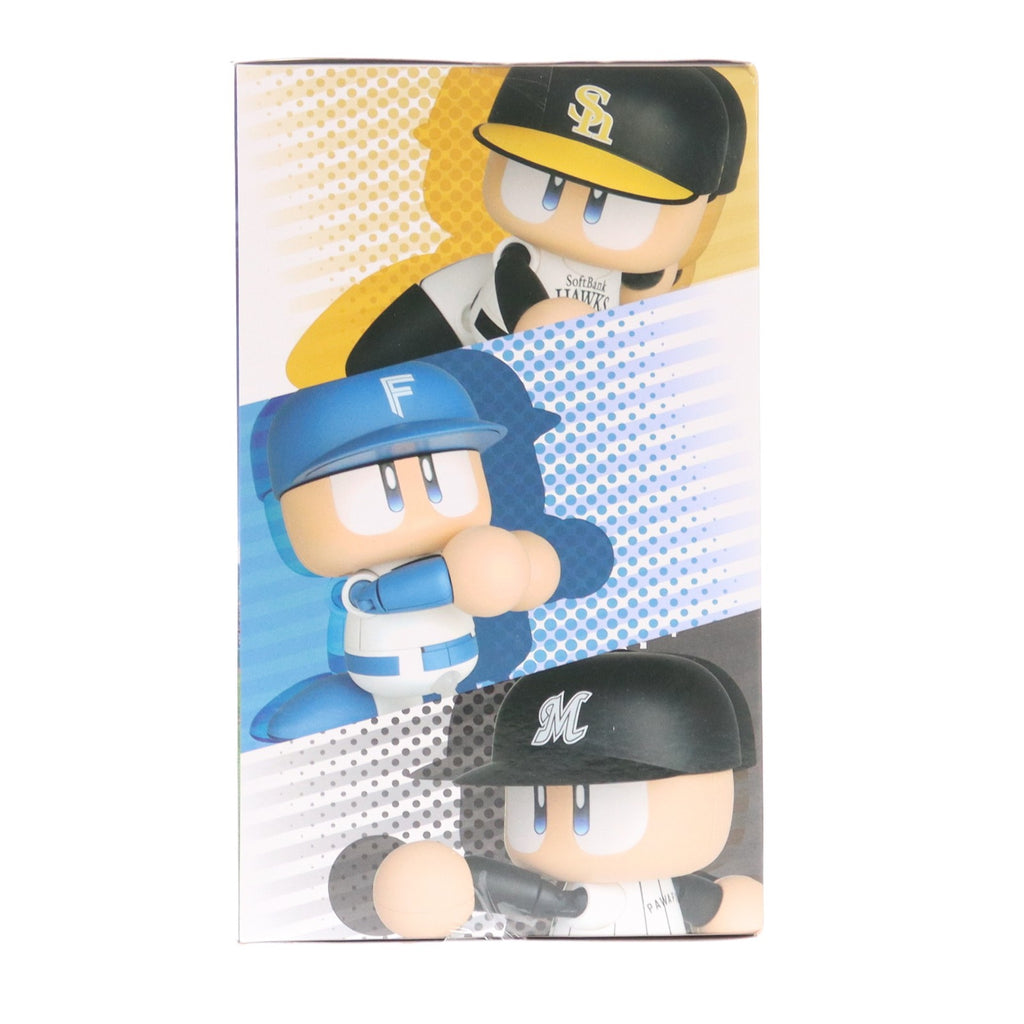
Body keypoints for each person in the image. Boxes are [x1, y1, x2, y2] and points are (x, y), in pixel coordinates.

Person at [346, 64, 747, 375]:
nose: (569, 210)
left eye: (603, 198)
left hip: (570, 379)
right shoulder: (517, 258)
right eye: (551, 184)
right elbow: (516, 293)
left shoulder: (641, 271)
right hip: (484, 347)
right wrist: (539, 320)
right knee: (377, 362)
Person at [249, 361, 562, 741]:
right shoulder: (371, 581)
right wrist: (449, 578)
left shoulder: (471, 549)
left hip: (462, 664)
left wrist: (518, 568)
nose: (421, 508)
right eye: (389, 486)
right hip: (386, 674)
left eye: (435, 476)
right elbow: (379, 596)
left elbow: (512, 572)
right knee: (392, 709)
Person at [370, 651, 762, 938]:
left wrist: (731, 906)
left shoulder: (669, 887)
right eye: (536, 806)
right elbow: (501, 889)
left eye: (584, 806)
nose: (556, 827)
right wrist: (455, 884)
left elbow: (726, 908)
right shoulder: (576, 897)